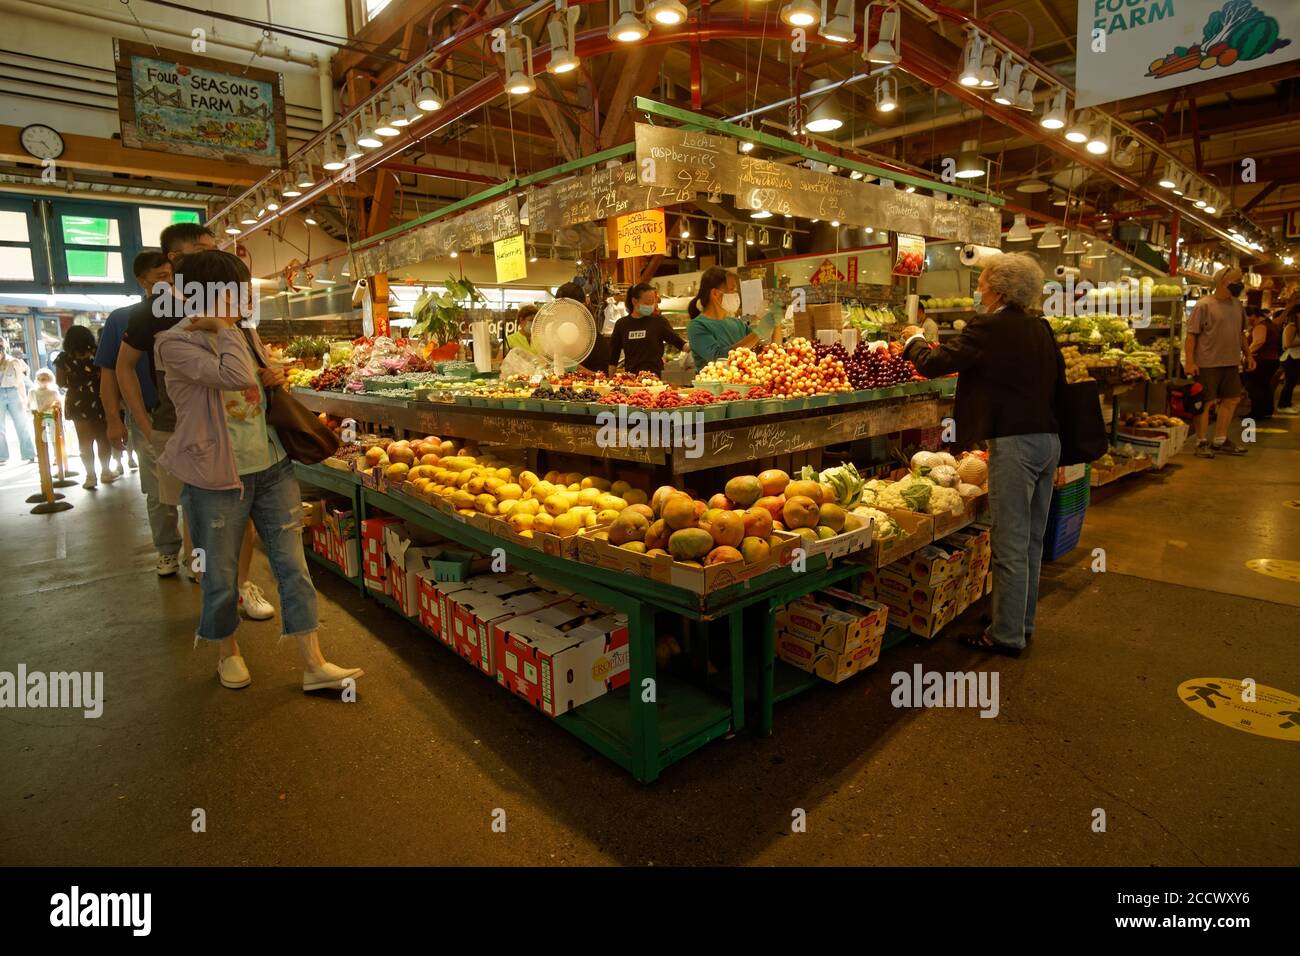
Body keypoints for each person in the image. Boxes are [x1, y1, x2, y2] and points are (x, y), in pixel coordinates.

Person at [155, 249, 362, 693]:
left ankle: (314, 662)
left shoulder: (243, 332)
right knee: (221, 572)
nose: (242, 297)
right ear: (202, 294)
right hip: (215, 475)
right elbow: (232, 378)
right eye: (232, 290)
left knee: (293, 566)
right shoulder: (174, 342)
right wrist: (226, 329)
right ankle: (226, 649)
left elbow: (256, 381)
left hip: (272, 464)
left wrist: (275, 378)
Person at [900, 252, 1063, 657]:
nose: (978, 289)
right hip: (1049, 441)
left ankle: (1005, 636)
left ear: (1000, 290)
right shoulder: (1040, 327)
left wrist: (913, 339)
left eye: (983, 282)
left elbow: (936, 363)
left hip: (1015, 443)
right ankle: (1021, 624)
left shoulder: (989, 326)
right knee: (1031, 542)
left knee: (1009, 542)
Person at [115, 226, 274, 621]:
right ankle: (210, 591)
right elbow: (121, 368)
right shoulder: (153, 311)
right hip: (179, 425)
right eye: (198, 251)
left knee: (239, 510)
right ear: (173, 259)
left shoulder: (232, 309)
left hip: (238, 426)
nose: (209, 258)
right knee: (196, 517)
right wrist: (145, 425)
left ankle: (239, 586)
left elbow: (250, 367)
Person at [99, 250, 181, 572]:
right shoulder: (122, 318)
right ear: (142, 280)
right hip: (146, 415)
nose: (167, 283)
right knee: (159, 491)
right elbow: (110, 372)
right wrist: (113, 420)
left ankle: (196, 553)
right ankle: (167, 550)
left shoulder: (184, 311)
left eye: (170, 276)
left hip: (185, 415)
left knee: (196, 490)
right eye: (160, 277)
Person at [1185, 266, 1251, 457]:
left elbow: (1241, 334)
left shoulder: (1237, 305)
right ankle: (1201, 441)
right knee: (1205, 402)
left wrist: (1248, 355)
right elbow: (1191, 336)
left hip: (1231, 362)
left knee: (1231, 400)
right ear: (1224, 281)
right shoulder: (1203, 305)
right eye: (1237, 280)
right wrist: (1190, 362)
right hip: (1207, 362)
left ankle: (1220, 440)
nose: (1241, 284)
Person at [54, 325, 114, 490]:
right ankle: (106, 472)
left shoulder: (63, 358)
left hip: (76, 400)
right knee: (103, 438)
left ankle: (90, 477)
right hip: (99, 397)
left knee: (84, 441)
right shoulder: (98, 353)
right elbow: (106, 376)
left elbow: (59, 382)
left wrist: (76, 383)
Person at [686, 267, 758, 371]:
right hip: (712, 386)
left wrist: (775, 322)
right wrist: (759, 332)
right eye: (732, 290)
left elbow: (764, 348)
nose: (736, 295)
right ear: (715, 294)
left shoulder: (738, 323)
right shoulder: (697, 326)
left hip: (743, 384)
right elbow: (719, 357)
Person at [608, 283, 685, 376]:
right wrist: (610, 379)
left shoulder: (659, 321)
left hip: (655, 379)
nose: (650, 306)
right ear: (634, 301)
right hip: (631, 379)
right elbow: (613, 356)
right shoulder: (622, 324)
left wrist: (692, 347)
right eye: (647, 303)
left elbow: (679, 343)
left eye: (652, 302)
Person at [0, 338, 37, 465]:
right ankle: (2, 456)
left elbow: (21, 380)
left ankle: (29, 453)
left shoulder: (14, 361)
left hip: (13, 392)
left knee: (21, 423)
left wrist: (24, 399)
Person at [1244, 304, 1283, 420]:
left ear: (1253, 316)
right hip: (1271, 360)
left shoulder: (1260, 326)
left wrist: (1247, 354)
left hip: (1261, 360)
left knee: (1255, 386)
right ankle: (1266, 411)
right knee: (1264, 386)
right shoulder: (1270, 324)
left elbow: (1259, 342)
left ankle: (1257, 412)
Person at [1278, 299, 1300, 415]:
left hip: (1296, 358)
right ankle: (1283, 404)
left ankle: (1287, 402)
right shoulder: (1291, 327)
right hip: (1290, 358)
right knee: (1289, 382)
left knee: (1292, 382)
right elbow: (1287, 344)